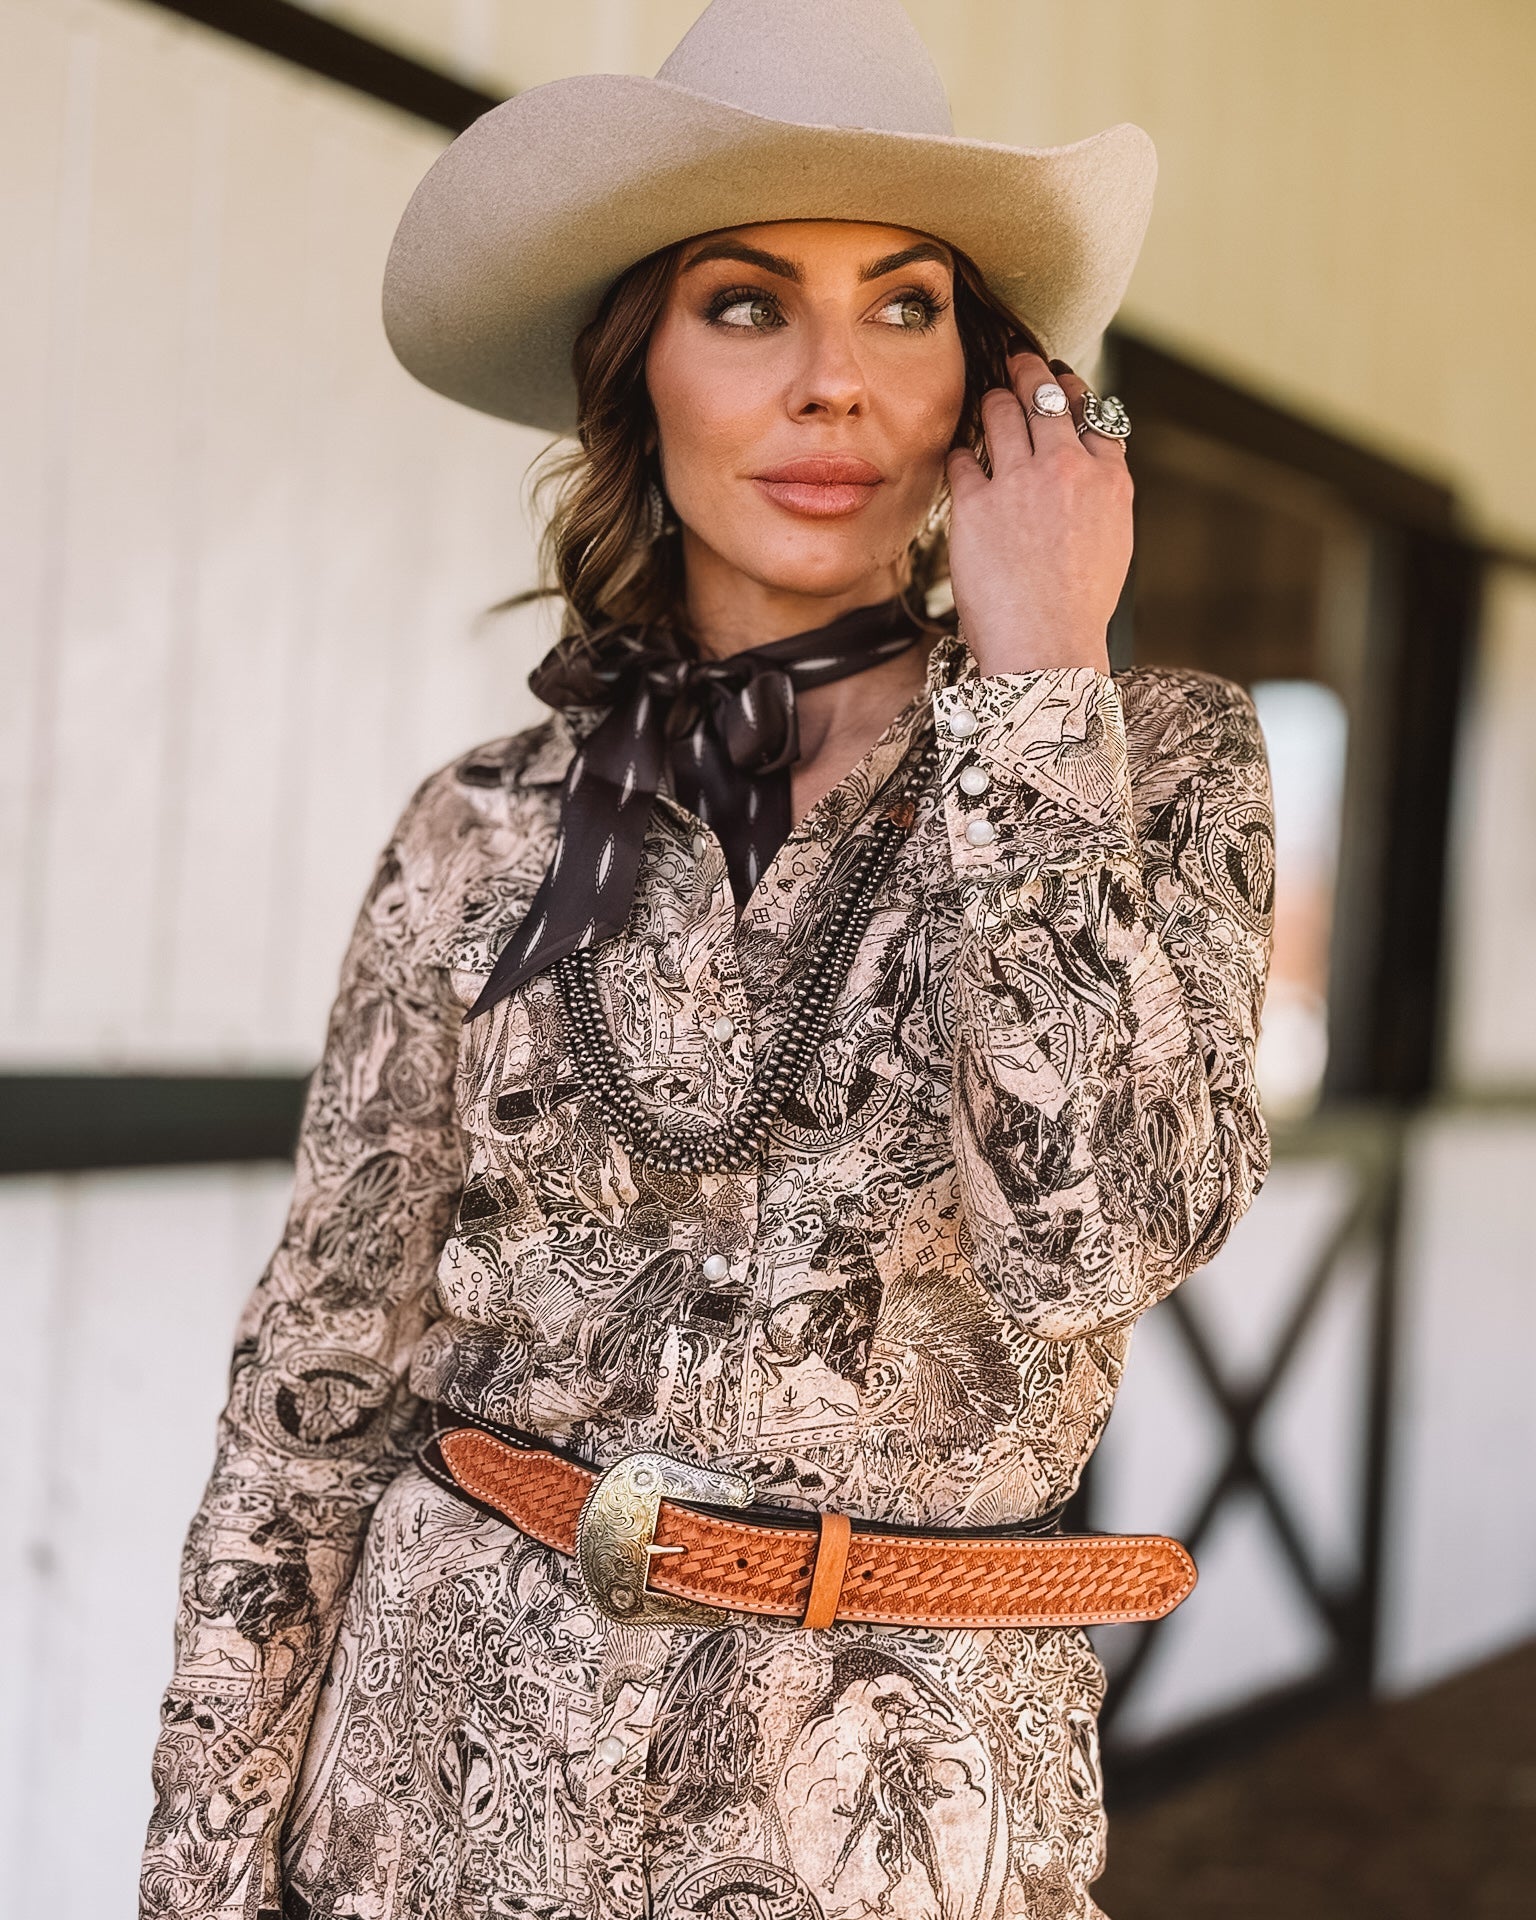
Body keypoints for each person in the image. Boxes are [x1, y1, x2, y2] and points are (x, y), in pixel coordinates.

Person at [140, 3, 1274, 1916]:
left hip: (882, 1813)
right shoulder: (479, 826)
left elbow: (1094, 1249)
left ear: (998, 394)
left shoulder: (1156, 763)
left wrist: (1040, 685)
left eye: (906, 310)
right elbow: (312, 1387)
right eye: (747, 304)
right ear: (634, 371)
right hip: (431, 1791)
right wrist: (196, 1871)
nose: (834, 386)